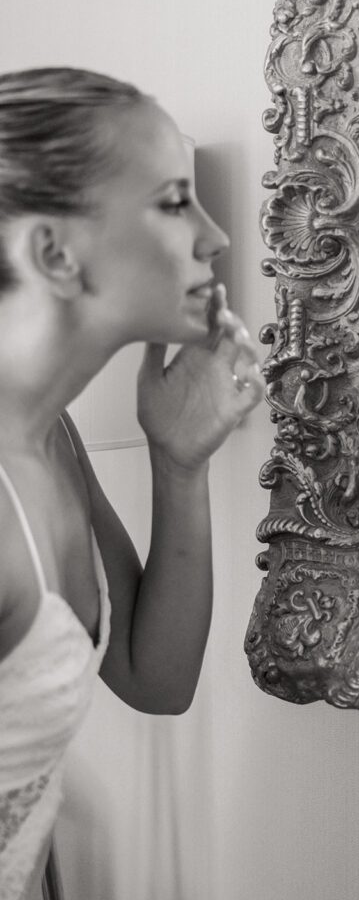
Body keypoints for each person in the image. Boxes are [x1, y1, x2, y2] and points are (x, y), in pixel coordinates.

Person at [0, 67, 265, 899]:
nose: (216, 237)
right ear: (55, 253)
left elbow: (156, 678)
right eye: (174, 200)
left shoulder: (49, 438)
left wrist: (178, 463)